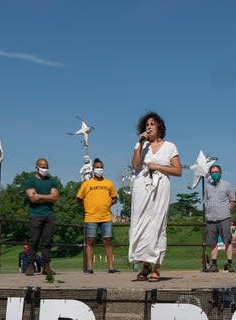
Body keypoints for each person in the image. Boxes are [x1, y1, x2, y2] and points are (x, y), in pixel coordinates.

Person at [129, 111, 183, 282]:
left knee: (157, 225)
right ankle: (145, 266)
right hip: (142, 188)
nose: (149, 127)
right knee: (141, 224)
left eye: (152, 124)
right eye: (146, 125)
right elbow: (136, 165)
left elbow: (178, 171)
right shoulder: (141, 146)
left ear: (159, 126)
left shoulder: (170, 146)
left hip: (160, 188)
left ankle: (156, 267)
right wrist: (139, 142)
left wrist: (157, 166)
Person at [76, 157, 120, 274]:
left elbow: (115, 198)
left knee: (108, 240)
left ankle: (111, 267)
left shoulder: (109, 183)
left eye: (101, 168)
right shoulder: (87, 184)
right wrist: (87, 206)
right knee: (90, 241)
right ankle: (90, 268)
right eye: (97, 168)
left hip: (106, 217)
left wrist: (108, 204)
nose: (99, 169)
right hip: (91, 217)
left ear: (103, 169)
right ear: (93, 169)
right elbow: (79, 198)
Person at [24, 158, 62, 276]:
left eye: (46, 166)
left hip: (49, 215)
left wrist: (39, 197)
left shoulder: (52, 181)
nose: (45, 168)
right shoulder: (30, 181)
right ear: (36, 167)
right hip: (35, 215)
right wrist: (48, 197)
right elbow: (32, 197)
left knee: (47, 242)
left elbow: (55, 197)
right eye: (42, 166)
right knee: (33, 241)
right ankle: (30, 266)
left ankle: (46, 267)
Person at [204, 164, 236, 272]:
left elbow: (233, 200)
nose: (215, 174)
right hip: (211, 220)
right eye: (213, 172)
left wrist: (228, 212)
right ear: (210, 174)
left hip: (224, 218)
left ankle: (230, 264)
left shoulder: (227, 185)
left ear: (221, 173)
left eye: (217, 172)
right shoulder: (207, 187)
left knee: (227, 241)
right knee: (212, 243)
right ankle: (214, 265)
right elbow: (206, 201)